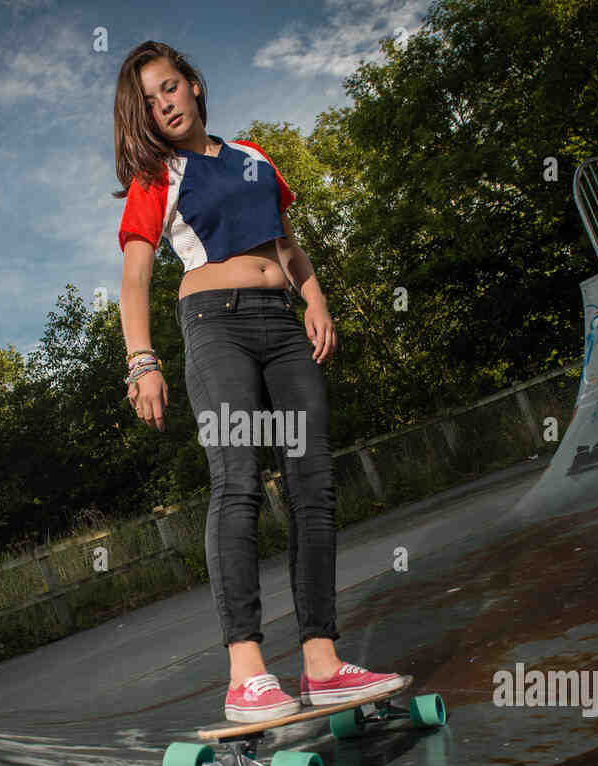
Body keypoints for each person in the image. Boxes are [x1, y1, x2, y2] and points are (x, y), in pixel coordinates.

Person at [113, 41, 402, 722]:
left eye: (170, 87)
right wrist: (142, 360)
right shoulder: (158, 176)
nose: (165, 103)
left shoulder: (254, 157)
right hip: (217, 328)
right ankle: (247, 674)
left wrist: (316, 298)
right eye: (150, 101)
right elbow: (135, 277)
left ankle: (322, 664)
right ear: (144, 117)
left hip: (282, 326)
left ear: (193, 84)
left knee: (313, 485)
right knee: (238, 480)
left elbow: (287, 244)